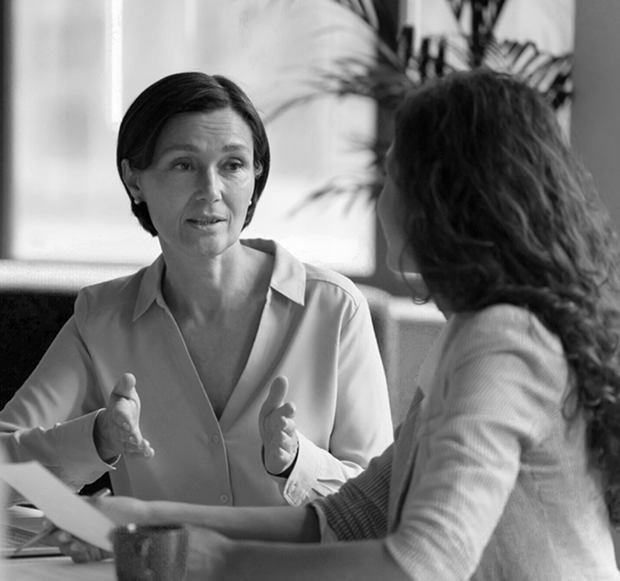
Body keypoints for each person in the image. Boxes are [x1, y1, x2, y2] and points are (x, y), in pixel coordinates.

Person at [78, 68, 620, 580]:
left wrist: (220, 562)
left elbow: (420, 565)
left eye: (393, 177)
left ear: (443, 201)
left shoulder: (501, 342)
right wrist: (148, 516)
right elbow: (348, 517)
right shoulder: (474, 331)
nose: (382, 201)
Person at [0, 72, 393, 508]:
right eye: (183, 165)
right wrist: (99, 438)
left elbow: (380, 502)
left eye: (233, 165)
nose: (211, 191)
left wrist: (298, 462)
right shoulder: (102, 320)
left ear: (255, 176)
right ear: (135, 180)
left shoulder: (335, 309)